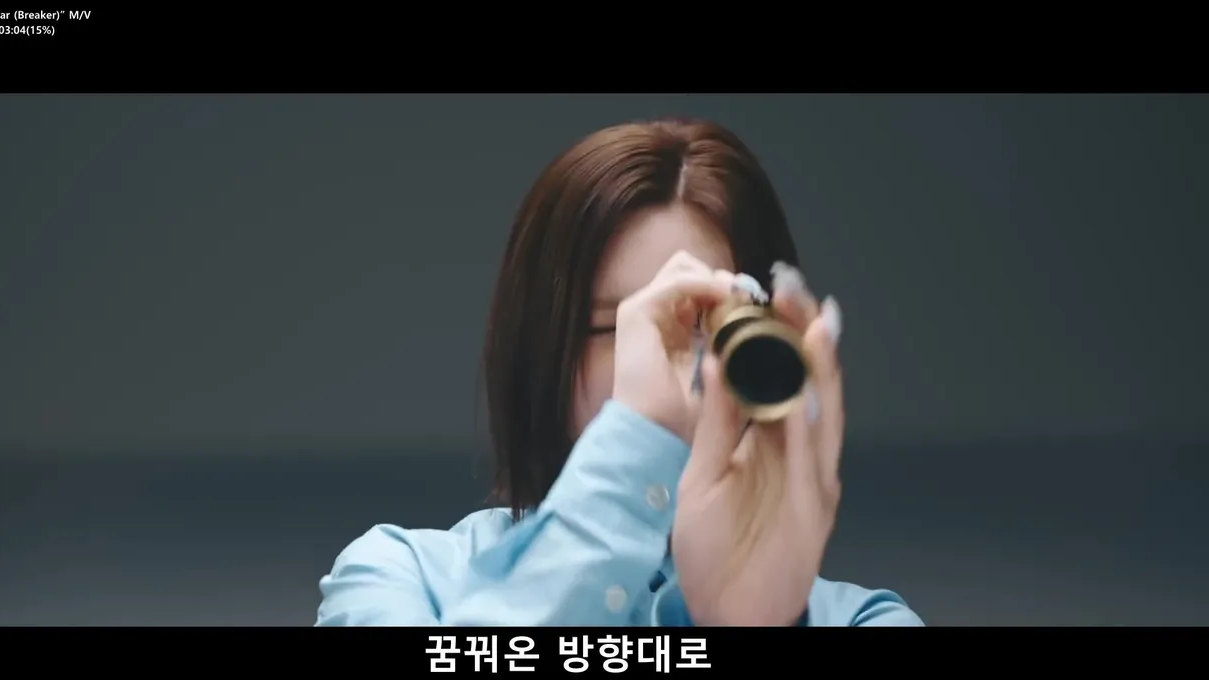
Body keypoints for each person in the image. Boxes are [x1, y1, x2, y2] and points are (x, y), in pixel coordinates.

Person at [317, 118, 923, 627]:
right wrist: (635, 447)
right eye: (611, 327)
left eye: (710, 324)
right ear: (539, 345)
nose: (659, 362)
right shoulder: (397, 578)